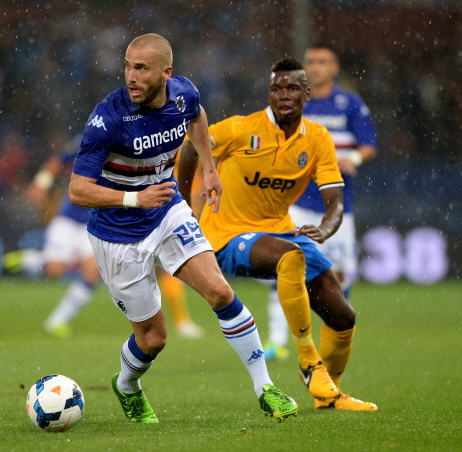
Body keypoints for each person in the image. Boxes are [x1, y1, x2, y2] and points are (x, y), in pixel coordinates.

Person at [69, 33, 297, 423]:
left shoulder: (183, 95)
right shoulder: (108, 119)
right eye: (127, 66)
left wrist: (209, 168)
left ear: (166, 72)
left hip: (167, 210)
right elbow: (77, 189)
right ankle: (127, 385)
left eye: (141, 68)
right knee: (154, 338)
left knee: (220, 291)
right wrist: (134, 198)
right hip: (117, 233)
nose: (131, 76)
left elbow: (198, 117)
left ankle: (265, 387)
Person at [178, 57, 377, 411]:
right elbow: (192, 144)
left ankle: (328, 395)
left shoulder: (317, 139)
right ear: (270, 94)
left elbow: (335, 203)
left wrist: (325, 229)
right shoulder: (242, 128)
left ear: (306, 94)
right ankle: (307, 360)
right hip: (227, 234)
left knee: (343, 316)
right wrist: (184, 204)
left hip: (280, 230)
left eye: (292, 88)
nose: (283, 94)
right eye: (276, 88)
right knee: (290, 256)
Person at [4, 135, 205, 339]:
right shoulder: (99, 135)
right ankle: (31, 259)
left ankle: (57, 321)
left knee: (92, 271)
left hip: (97, 221)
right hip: (70, 217)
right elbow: (60, 159)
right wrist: (42, 183)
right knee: (55, 270)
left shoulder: (141, 144)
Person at [264, 45, 378, 361]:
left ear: (335, 67)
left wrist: (352, 157)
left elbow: (368, 144)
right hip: (297, 200)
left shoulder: (349, 103)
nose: (315, 66)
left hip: (337, 204)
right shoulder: (297, 103)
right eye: (311, 61)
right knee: (285, 268)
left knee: (339, 274)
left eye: (322, 61)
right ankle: (277, 341)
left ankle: (337, 333)